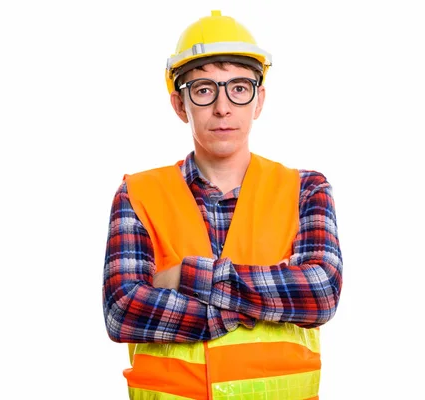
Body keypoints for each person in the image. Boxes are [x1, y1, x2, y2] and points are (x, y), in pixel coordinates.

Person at [102, 9, 343, 400]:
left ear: (258, 100)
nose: (223, 107)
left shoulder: (305, 190)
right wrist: (262, 306)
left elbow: (320, 293)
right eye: (203, 89)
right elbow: (123, 310)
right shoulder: (138, 194)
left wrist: (185, 277)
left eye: (239, 87)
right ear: (181, 105)